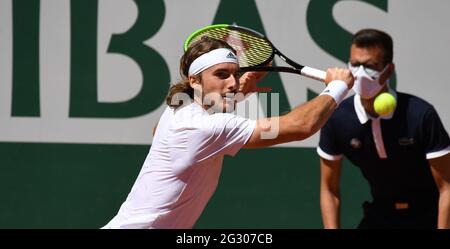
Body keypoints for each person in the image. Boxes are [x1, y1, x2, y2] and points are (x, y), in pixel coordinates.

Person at [103, 36, 354, 229]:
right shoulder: (205, 128)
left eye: (235, 74)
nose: (233, 83)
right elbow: (301, 126)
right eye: (221, 75)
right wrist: (338, 87)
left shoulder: (179, 108)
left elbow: (160, 130)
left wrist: (233, 95)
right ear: (194, 80)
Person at [317, 29, 450, 229]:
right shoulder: (337, 118)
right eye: (355, 65)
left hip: (429, 214)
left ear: (388, 70)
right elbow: (329, 189)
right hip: (380, 214)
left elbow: (447, 188)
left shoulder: (420, 115)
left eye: (370, 66)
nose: (360, 74)